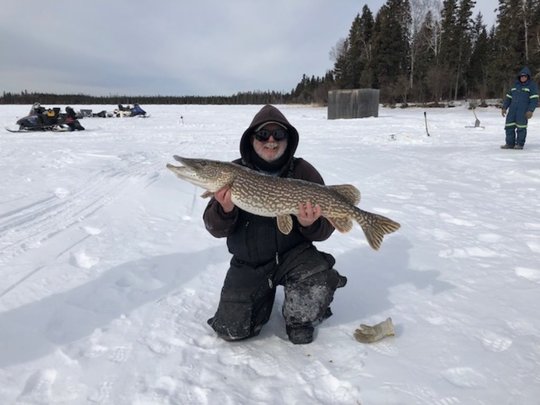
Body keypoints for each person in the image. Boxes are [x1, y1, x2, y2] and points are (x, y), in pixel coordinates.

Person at [203, 104, 347, 344]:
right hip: (250, 262)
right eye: (263, 134)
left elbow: (324, 231)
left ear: (287, 140)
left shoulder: (303, 171)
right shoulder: (232, 173)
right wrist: (225, 210)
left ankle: (300, 319)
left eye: (278, 134)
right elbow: (214, 228)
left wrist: (309, 224)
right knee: (231, 330)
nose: (271, 140)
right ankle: (261, 297)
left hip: (294, 257)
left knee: (317, 279)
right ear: (252, 139)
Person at [501, 67, 538, 149]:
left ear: (528, 77)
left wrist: (530, 110)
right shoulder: (515, 85)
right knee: (509, 126)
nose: (523, 78)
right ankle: (510, 143)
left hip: (523, 111)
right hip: (512, 110)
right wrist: (504, 108)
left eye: (525, 76)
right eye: (521, 76)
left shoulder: (532, 86)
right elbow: (508, 98)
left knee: (521, 127)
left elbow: (534, 100)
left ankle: (520, 144)